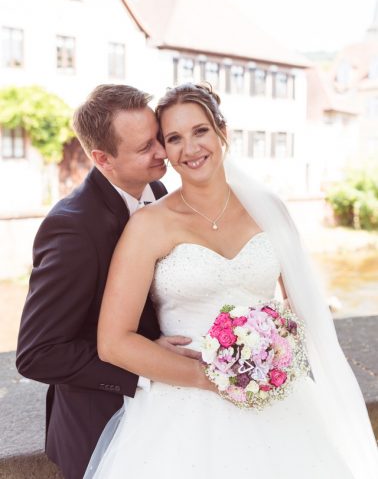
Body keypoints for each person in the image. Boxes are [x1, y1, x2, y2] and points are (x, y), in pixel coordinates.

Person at [84, 82, 378, 479]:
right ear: (165, 151)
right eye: (174, 138)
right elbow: (114, 342)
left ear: (223, 131)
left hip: (277, 398)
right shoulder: (148, 226)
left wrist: (277, 348)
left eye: (200, 131)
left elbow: (300, 310)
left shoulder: (269, 209)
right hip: (185, 406)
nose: (190, 149)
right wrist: (205, 377)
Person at [16, 84, 206, 479]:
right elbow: (38, 353)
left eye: (157, 138)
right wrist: (143, 363)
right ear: (103, 159)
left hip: (170, 414)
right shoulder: (71, 229)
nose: (161, 153)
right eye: (144, 148)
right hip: (101, 425)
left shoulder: (155, 188)